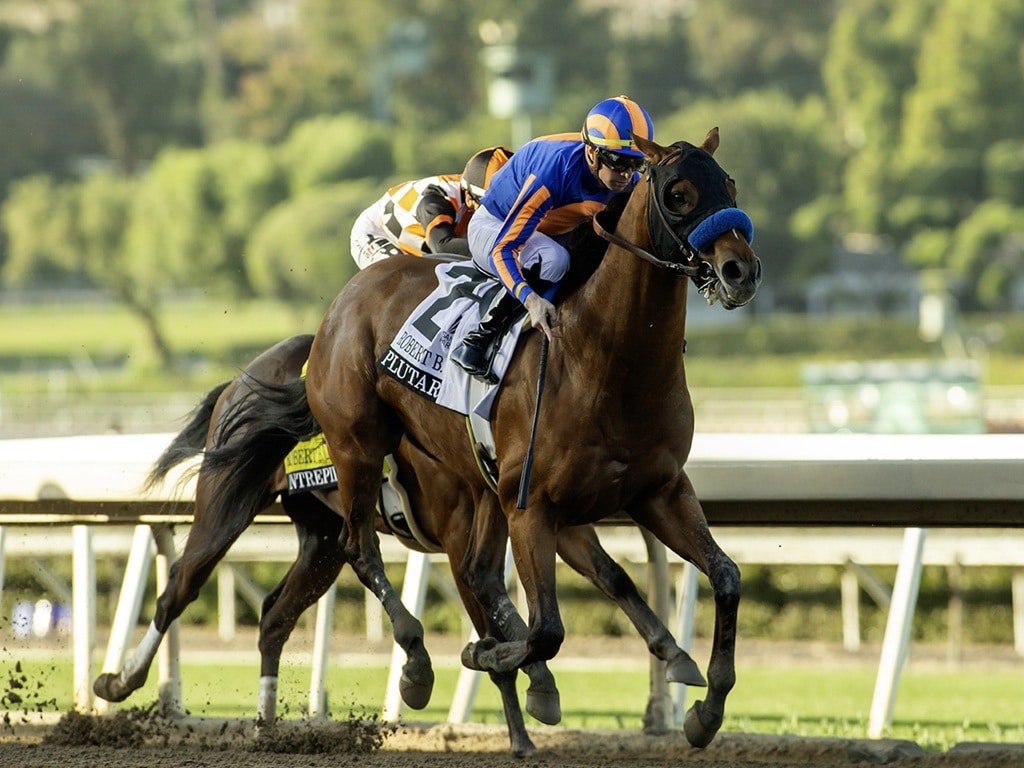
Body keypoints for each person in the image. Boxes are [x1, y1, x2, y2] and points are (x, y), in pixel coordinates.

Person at [450, 96, 654, 382]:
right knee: (554, 261)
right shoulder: (554, 172)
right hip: (495, 225)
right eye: (619, 162)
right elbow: (504, 248)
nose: (627, 174)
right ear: (593, 154)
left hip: (548, 230)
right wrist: (531, 300)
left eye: (637, 164)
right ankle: (477, 340)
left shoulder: (626, 178)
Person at [350, 146, 514, 269]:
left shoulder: (475, 189)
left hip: (425, 243)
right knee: (402, 277)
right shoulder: (436, 200)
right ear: (470, 197)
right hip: (377, 233)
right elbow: (442, 247)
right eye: (491, 204)